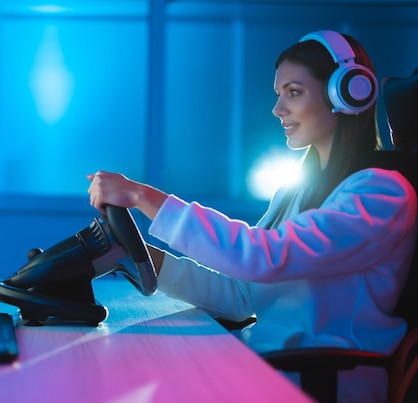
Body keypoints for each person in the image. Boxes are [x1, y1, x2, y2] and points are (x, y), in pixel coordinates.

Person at [87, 30, 418, 402]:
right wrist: (150, 259)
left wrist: (141, 196)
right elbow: (241, 293)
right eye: (279, 95)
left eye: (293, 92)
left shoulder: (379, 194)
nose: (278, 110)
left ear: (347, 92)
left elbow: (263, 257)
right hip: (269, 365)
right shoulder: (296, 192)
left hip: (319, 381)